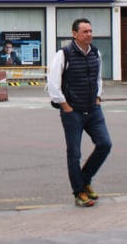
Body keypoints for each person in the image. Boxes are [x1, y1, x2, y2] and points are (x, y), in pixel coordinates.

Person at [47, 18, 112, 208]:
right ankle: (79, 192)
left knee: (105, 144)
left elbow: (98, 78)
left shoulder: (96, 53)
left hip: (93, 109)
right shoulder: (64, 54)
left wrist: (98, 98)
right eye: (85, 31)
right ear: (74, 34)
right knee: (74, 153)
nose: (89, 34)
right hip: (72, 111)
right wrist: (65, 106)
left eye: (91, 31)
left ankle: (85, 179)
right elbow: (53, 83)